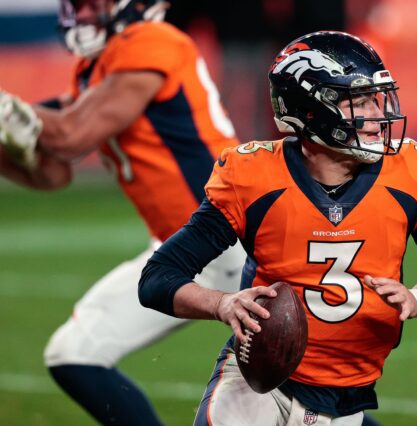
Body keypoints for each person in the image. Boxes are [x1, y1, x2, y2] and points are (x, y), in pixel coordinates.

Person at [138, 30, 417, 425]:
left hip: (348, 398)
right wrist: (221, 303)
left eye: (377, 98)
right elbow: (157, 278)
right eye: (358, 102)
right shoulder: (254, 178)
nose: (376, 114)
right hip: (260, 380)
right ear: (310, 111)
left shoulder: (411, 173)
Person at [0, 0, 246, 424]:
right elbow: (52, 173)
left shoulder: (150, 41)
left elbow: (72, 135)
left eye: (94, 4)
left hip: (227, 237)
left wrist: (15, 115)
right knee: (74, 353)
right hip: (180, 248)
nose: (82, 15)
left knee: (290, 394)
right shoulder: (97, 67)